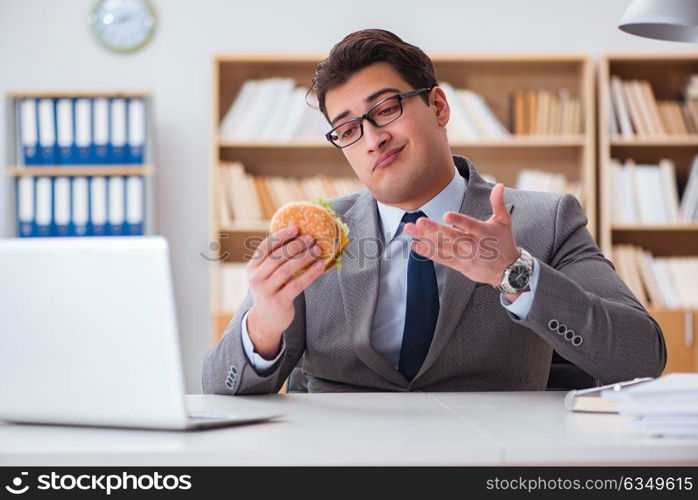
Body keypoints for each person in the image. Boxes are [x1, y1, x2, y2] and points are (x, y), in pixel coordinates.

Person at [202, 29, 666, 394]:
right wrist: (263, 323)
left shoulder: (547, 220)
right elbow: (218, 386)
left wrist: (515, 272)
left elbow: (642, 356)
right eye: (347, 129)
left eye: (384, 109)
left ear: (438, 106)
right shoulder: (316, 233)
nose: (371, 138)